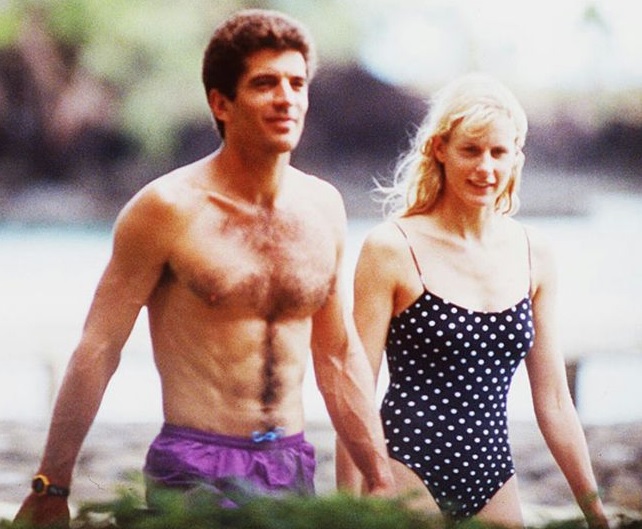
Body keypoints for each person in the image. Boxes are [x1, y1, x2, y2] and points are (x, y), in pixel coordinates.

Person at [14, 8, 395, 528]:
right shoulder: (167, 209)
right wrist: (51, 483)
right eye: (265, 83)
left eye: (296, 83)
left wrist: (378, 476)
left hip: (290, 462)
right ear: (221, 103)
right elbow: (98, 348)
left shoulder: (324, 207)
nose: (286, 97)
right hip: (197, 465)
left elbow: (337, 353)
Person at [336, 73, 609, 528]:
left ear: (516, 156)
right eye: (471, 150)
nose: (485, 168)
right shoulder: (392, 248)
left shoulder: (533, 253)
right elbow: (356, 386)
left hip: (492, 473)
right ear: (440, 149)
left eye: (498, 152)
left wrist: (595, 511)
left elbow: (555, 401)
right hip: (404, 463)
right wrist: (342, 509)